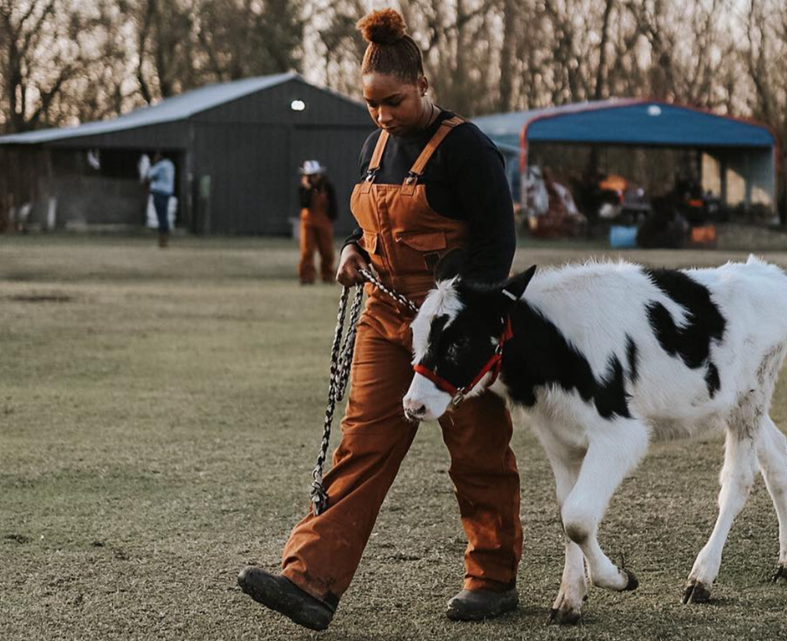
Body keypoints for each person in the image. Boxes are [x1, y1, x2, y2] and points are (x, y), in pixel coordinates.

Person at [238, 8, 521, 631]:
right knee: (360, 444)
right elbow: (363, 224)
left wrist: (458, 314)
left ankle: (492, 577)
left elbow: (498, 245)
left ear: (422, 84)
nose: (383, 116)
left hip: (452, 323)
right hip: (383, 317)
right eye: (372, 105)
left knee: (476, 451)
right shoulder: (374, 146)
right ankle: (309, 579)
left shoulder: (468, 149)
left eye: (393, 102)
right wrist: (348, 249)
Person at [297, 160, 338, 284]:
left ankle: (328, 275)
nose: (312, 178)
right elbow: (304, 204)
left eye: (314, 175)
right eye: (309, 176)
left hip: (324, 223)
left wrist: (331, 218)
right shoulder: (303, 188)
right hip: (307, 223)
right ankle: (306, 276)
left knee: (327, 251)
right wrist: (309, 189)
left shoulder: (327, 187)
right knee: (307, 251)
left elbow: (333, 206)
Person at [145, 151, 175, 247]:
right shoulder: (170, 165)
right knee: (164, 215)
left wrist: (152, 165)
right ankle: (164, 238)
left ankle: (162, 239)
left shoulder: (160, 165)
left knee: (161, 216)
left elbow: (149, 175)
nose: (155, 157)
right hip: (167, 192)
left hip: (159, 192)